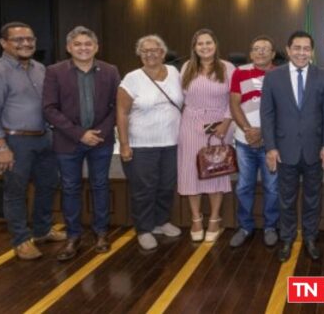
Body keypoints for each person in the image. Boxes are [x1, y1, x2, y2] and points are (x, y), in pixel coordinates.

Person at [0, 22, 66, 260]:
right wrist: (0, 147)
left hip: (44, 138)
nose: (25, 43)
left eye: (29, 39)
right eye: (18, 40)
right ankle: (21, 240)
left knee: (48, 185)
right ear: (4, 43)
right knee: (15, 192)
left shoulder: (39, 68)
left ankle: (42, 230)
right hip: (15, 142)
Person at [43, 26, 120, 261]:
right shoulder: (54, 72)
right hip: (68, 141)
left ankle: (101, 233)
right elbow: (49, 109)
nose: (83, 48)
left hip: (101, 140)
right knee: (70, 188)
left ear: (96, 47)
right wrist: (79, 134)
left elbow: (118, 105)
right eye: (78, 44)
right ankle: (73, 236)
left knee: (100, 185)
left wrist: (100, 133)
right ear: (69, 48)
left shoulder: (110, 70)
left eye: (88, 44)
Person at [261, 30, 324, 262]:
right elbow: (267, 115)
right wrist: (271, 148)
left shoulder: (323, 76)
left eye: (306, 49)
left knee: (313, 198)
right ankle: (287, 239)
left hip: (315, 150)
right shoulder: (273, 77)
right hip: (285, 151)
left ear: (311, 51)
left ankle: (311, 238)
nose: (302, 53)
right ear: (288, 49)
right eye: (297, 48)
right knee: (286, 199)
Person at [116, 35, 183, 251]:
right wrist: (125, 144)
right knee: (144, 189)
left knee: (165, 185)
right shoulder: (131, 78)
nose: (150, 54)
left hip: (172, 142)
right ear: (139, 54)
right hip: (142, 144)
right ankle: (144, 229)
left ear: (163, 53)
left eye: (155, 50)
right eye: (145, 51)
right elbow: (122, 113)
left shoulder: (174, 73)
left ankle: (161, 221)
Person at [177, 29, 235, 243]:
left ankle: (214, 219)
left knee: (215, 172)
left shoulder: (228, 68)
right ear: (194, 47)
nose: (204, 47)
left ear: (215, 44)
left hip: (219, 126)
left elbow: (234, 99)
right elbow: (180, 97)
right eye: (199, 44)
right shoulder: (187, 67)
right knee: (190, 171)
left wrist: (226, 122)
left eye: (208, 42)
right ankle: (195, 218)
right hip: (190, 124)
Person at [228, 36, 279, 248]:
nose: (260, 52)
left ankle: (270, 227)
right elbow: (234, 104)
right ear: (250, 53)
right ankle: (245, 226)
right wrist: (249, 131)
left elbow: (283, 110)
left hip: (271, 142)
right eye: (256, 49)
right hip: (243, 140)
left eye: (265, 49)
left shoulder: (280, 75)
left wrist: (263, 134)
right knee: (244, 186)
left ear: (273, 54)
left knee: (272, 187)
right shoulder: (239, 72)